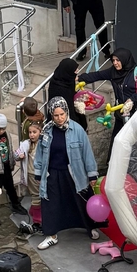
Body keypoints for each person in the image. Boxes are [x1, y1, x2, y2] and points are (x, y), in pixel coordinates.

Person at [32, 98, 99, 250]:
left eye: (62, 114)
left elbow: (87, 153)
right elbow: (40, 154)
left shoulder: (77, 130)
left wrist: (92, 174)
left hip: (74, 173)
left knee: (81, 200)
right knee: (50, 204)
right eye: (56, 115)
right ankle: (51, 235)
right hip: (52, 174)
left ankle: (90, 227)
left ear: (66, 112)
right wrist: (38, 173)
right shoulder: (46, 131)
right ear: (51, 115)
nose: (60, 118)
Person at [78, 48, 137, 159]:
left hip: (136, 114)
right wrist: (79, 78)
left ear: (125, 60)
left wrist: (133, 99)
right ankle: (112, 166)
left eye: (118, 60)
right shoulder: (113, 72)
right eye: (113, 60)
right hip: (121, 115)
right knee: (117, 142)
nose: (115, 63)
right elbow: (97, 75)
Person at [15, 121, 43, 233]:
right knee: (35, 196)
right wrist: (19, 156)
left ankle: (35, 212)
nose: (32, 135)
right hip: (31, 175)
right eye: (30, 132)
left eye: (34, 132)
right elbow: (16, 154)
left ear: (40, 132)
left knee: (40, 197)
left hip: (40, 175)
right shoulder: (26, 144)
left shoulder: (44, 144)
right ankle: (37, 220)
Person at [46, 59, 86, 130]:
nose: (77, 71)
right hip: (60, 120)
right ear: (68, 71)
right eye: (75, 71)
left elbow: (71, 94)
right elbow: (65, 108)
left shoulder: (68, 80)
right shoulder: (57, 86)